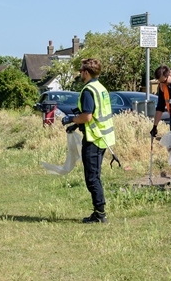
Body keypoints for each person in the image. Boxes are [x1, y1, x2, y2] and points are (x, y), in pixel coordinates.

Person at [61, 58, 115, 224]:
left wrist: (72, 119)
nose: (80, 74)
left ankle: (100, 214)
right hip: (103, 137)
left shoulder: (88, 90)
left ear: (86, 72)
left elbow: (88, 116)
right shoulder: (100, 88)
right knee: (95, 176)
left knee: (92, 178)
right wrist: (77, 126)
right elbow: (97, 115)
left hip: (94, 138)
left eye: (81, 71)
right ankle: (99, 212)